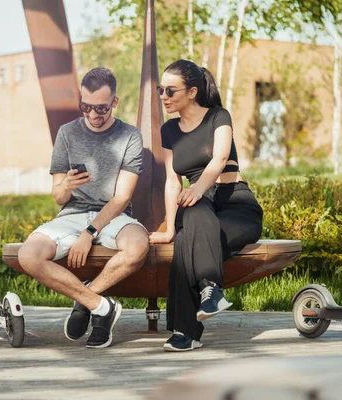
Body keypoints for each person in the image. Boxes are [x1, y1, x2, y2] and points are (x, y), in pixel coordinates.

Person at [18, 67, 149, 349]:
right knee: (28, 255)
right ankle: (101, 306)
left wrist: (89, 232)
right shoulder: (67, 133)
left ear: (114, 102)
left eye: (100, 108)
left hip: (113, 215)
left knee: (138, 246)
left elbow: (122, 197)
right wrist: (66, 185)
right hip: (71, 215)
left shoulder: (130, 136)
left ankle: (85, 301)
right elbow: (58, 197)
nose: (92, 115)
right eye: (85, 107)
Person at [149, 60, 264, 352]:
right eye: (162, 89)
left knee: (191, 231)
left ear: (192, 92)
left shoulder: (218, 116)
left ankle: (185, 330)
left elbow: (219, 158)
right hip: (200, 207)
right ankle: (211, 292)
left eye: (171, 90)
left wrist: (198, 188)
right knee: (187, 230)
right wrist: (168, 229)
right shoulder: (169, 131)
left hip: (235, 205)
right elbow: (172, 183)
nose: (164, 96)